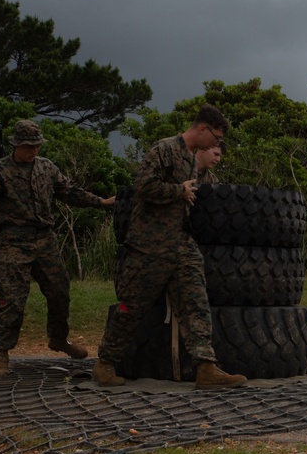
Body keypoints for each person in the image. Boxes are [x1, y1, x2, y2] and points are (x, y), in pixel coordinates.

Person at [92, 105, 246, 389]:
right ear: (202, 129)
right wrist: (179, 190)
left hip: (180, 244)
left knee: (196, 302)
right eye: (215, 136)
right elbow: (143, 186)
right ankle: (105, 364)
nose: (215, 143)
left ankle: (206, 368)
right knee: (131, 307)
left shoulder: (190, 159)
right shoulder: (164, 149)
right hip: (148, 245)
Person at [0, 119, 116, 377]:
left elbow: (68, 192)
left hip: (45, 240)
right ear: (15, 145)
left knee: (60, 292)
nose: (33, 151)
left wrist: (101, 202)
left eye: (36, 146)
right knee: (11, 299)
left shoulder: (47, 168)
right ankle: (2, 354)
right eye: (27, 146)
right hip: (14, 240)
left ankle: (58, 339)